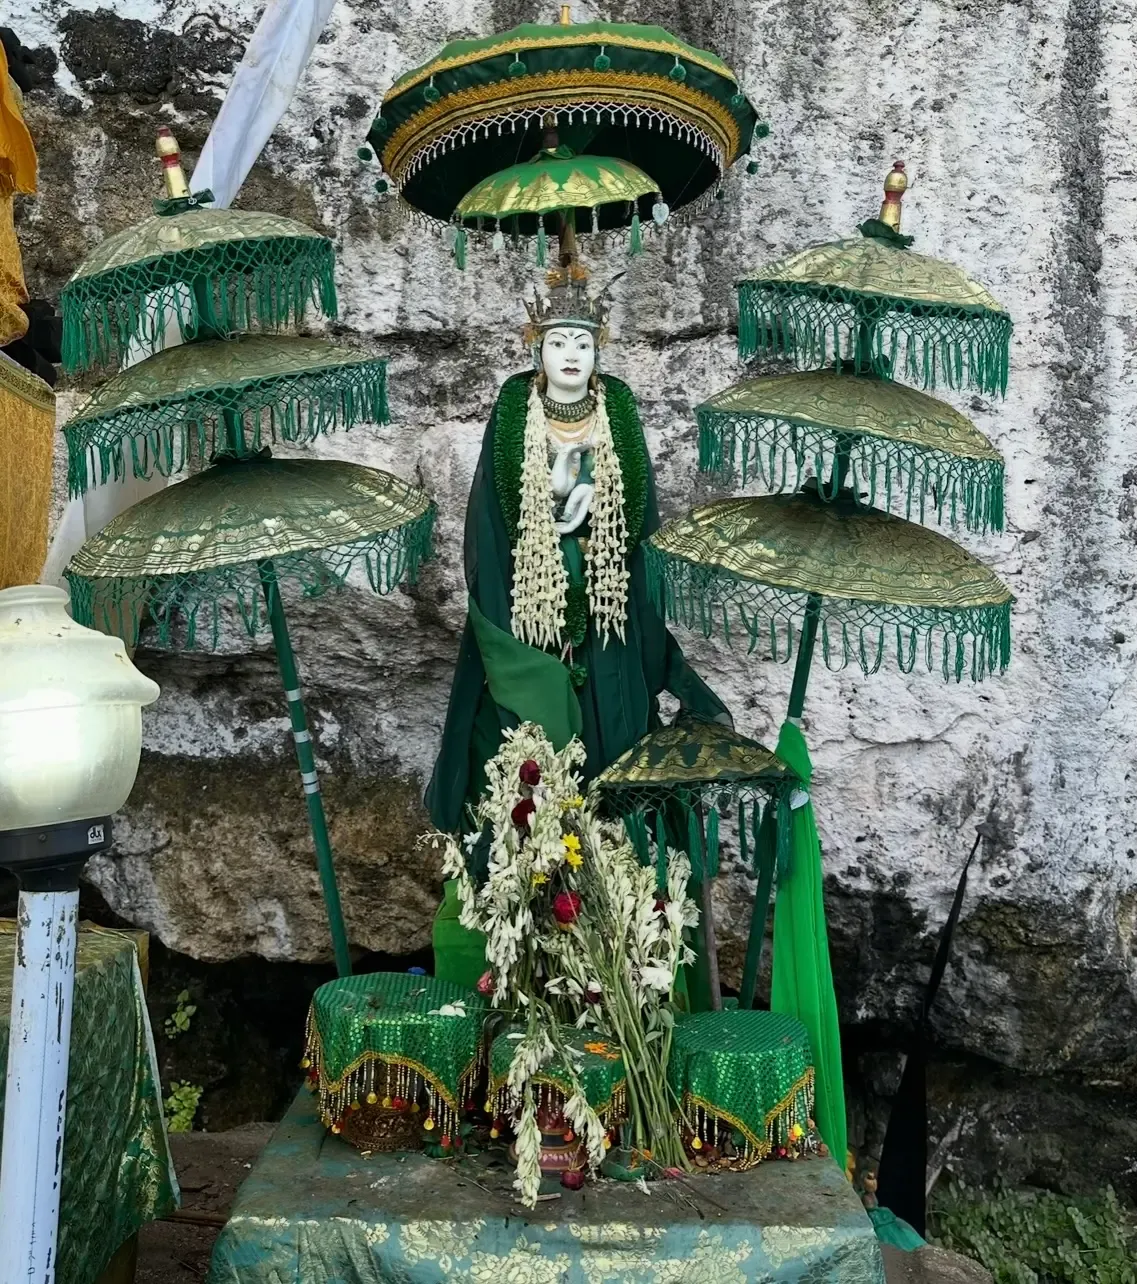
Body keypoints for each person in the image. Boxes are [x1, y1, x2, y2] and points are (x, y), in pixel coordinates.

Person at [426, 265, 731, 986]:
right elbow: (488, 530)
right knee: (526, 771)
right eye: (558, 341)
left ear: (599, 353)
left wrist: (591, 529)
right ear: (536, 350)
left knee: (609, 760)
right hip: (530, 618)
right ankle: (519, 937)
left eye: (583, 344)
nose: (571, 355)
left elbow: (641, 525)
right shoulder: (513, 414)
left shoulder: (617, 413)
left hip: (607, 614)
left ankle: (619, 940)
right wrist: (535, 588)